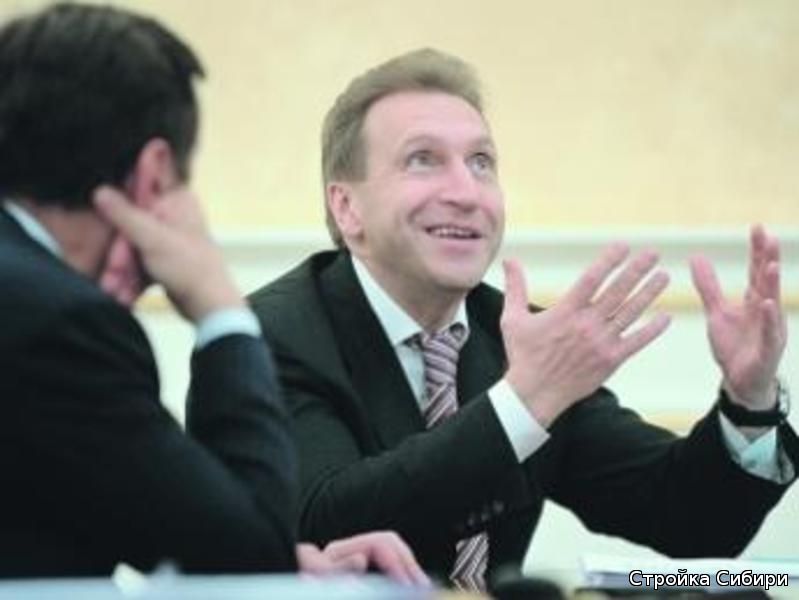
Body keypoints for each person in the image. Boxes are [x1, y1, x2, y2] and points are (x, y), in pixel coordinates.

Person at [248, 48, 798, 592]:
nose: (466, 193)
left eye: (480, 162)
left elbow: (687, 518)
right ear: (347, 208)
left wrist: (748, 401)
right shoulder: (269, 336)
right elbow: (325, 527)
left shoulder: (515, 341)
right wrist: (522, 403)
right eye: (423, 159)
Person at [0, 3, 426, 585]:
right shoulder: (62, 325)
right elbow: (240, 559)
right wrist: (220, 307)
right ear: (154, 173)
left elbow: (136, 518)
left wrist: (268, 554)